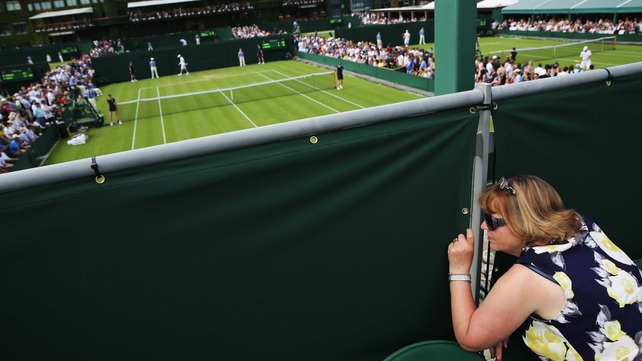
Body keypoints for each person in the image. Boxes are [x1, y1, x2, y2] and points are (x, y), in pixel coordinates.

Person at [448, 175, 642, 361]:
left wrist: (459, 269)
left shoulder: (528, 277)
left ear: (521, 223)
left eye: (492, 221)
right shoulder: (582, 226)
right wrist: (505, 320)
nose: (483, 226)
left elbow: (470, 339)